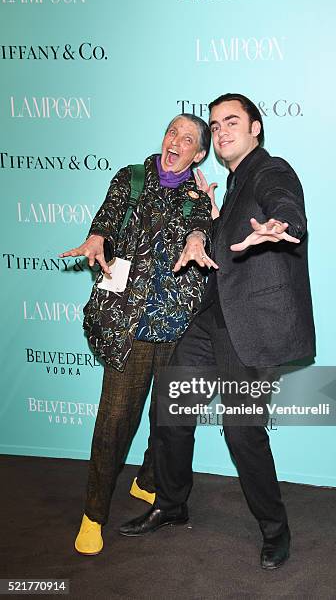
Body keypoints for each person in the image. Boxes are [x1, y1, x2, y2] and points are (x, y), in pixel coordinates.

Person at [119, 93, 315, 570]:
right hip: (209, 321)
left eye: (232, 121)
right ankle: (171, 502)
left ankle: (275, 529)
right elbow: (223, 248)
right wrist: (207, 222)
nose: (221, 130)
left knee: (242, 432)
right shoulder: (230, 185)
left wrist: (280, 224)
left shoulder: (271, 170)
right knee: (170, 410)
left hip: (249, 328)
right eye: (215, 124)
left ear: (256, 129)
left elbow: (285, 203)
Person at [60, 113, 215, 555]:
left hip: (176, 326)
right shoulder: (130, 178)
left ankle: (148, 481)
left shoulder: (196, 195)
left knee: (167, 420)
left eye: (188, 139)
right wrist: (96, 238)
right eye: (172, 132)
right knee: (113, 425)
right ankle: (93, 515)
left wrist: (200, 237)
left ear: (199, 154)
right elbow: (107, 218)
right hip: (129, 327)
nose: (176, 142)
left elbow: (201, 228)